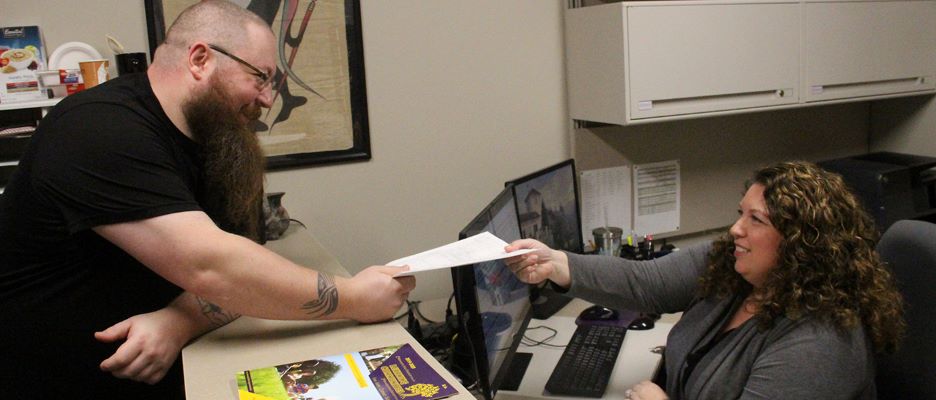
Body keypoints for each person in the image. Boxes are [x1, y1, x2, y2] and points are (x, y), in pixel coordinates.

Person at [0, 1, 414, 399]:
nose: (268, 99)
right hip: (56, 380)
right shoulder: (98, 131)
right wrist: (357, 299)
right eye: (259, 77)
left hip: (171, 366)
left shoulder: (217, 137)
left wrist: (180, 320)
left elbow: (243, 254)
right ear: (200, 59)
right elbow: (216, 267)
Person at [505, 161, 905, 400]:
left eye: (756, 220)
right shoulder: (735, 268)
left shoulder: (821, 342)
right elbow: (646, 282)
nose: (735, 230)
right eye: (740, 213)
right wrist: (555, 263)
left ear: (800, 244)